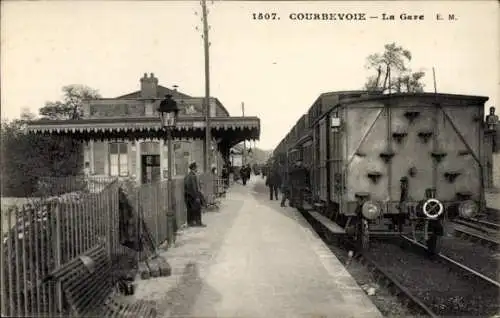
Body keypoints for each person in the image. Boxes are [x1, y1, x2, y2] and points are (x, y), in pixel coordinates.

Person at [184, 162, 206, 227]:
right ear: (193, 168)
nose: (197, 168)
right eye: (196, 167)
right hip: (192, 196)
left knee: (190, 210)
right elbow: (193, 188)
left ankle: (190, 223)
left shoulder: (188, 175)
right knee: (197, 209)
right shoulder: (192, 176)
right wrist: (196, 197)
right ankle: (198, 223)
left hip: (188, 196)